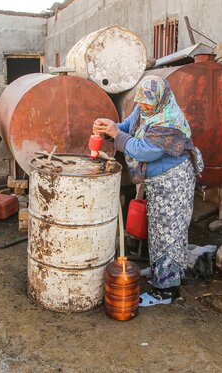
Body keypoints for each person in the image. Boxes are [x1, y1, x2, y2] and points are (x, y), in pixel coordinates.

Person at [93, 75, 203, 307]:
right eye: (140, 102)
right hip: (158, 181)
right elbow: (129, 127)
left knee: (169, 234)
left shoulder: (169, 122)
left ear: (161, 100)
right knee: (158, 229)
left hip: (174, 183)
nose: (142, 107)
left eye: (147, 104)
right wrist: (109, 128)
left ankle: (165, 291)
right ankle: (161, 271)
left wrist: (115, 135)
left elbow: (143, 151)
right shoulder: (146, 106)